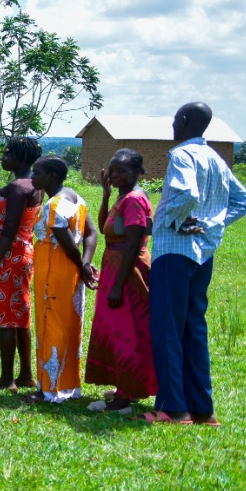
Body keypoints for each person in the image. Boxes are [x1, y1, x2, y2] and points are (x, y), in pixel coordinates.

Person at [140, 103, 246, 426]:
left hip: (174, 252)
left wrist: (179, 221)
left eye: (176, 120)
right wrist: (211, 223)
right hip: (203, 255)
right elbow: (245, 202)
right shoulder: (215, 158)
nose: (173, 126)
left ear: (185, 121)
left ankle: (174, 409)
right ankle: (203, 410)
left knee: (167, 329)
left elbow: (187, 192)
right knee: (193, 328)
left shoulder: (182, 155)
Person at [85, 149, 154, 414]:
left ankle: (124, 399)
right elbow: (105, 228)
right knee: (118, 329)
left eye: (121, 171)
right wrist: (105, 195)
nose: (113, 175)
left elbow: (133, 243)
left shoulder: (134, 199)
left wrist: (117, 285)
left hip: (128, 273)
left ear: (136, 172)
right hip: (116, 268)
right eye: (112, 170)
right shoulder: (122, 197)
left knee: (126, 331)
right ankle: (128, 386)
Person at [26, 156, 98, 404]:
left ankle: (48, 390)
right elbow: (91, 233)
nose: (32, 177)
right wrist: (85, 265)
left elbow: (68, 245)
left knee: (50, 326)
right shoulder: (77, 199)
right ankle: (67, 385)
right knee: (69, 324)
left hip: (54, 272)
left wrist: (83, 265)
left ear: (52, 177)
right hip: (71, 272)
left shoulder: (54, 206)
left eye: (37, 173)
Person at [0, 136, 44, 390]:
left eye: (7, 153)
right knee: (20, 315)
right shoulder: (33, 184)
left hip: (10, 257)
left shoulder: (19, 187)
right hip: (22, 254)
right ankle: (26, 375)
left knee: (8, 318)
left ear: (20, 158)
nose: (3, 157)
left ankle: (7, 379)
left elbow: (9, 230)